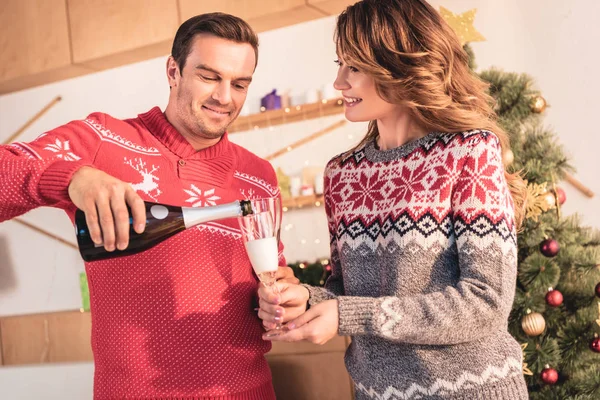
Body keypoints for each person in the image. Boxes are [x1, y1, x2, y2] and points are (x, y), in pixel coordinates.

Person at [0, 13, 297, 400]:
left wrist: (284, 298)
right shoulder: (102, 140)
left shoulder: (259, 176)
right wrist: (72, 177)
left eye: (239, 84)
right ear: (173, 70)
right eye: (209, 77)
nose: (225, 97)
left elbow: (270, 274)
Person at [257, 0, 530, 398]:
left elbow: (485, 302)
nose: (339, 82)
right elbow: (345, 294)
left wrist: (348, 313)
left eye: (355, 67)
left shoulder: (468, 152)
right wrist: (308, 299)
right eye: (340, 64)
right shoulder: (342, 174)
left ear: (399, 65)